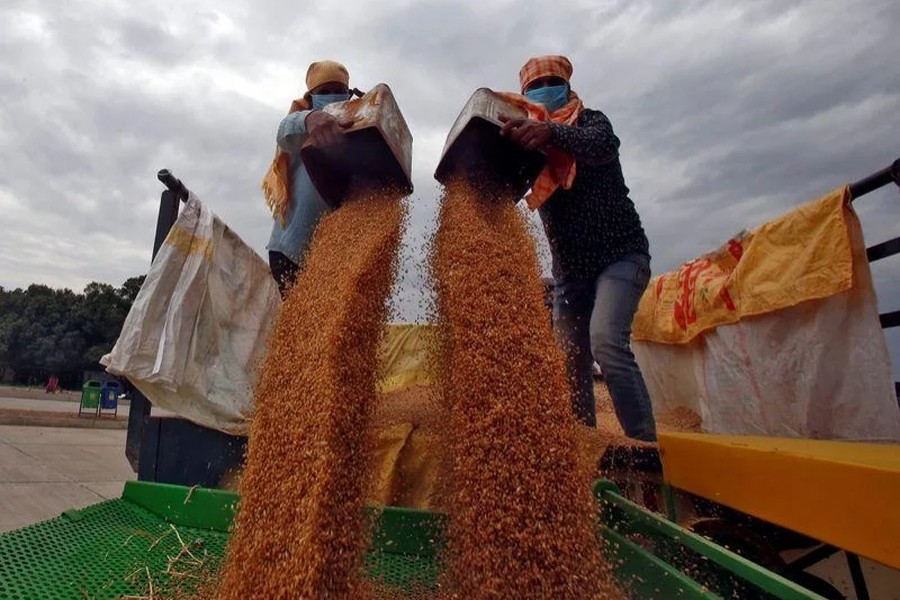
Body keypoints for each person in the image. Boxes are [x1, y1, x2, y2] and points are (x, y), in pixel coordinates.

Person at [499, 55, 657, 441]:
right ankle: (582, 446)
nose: (543, 91)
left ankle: (646, 447)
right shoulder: (530, 144)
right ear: (523, 96)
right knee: (569, 362)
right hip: (571, 273)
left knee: (606, 341)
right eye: (534, 87)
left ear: (568, 86)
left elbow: (600, 145)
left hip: (620, 257)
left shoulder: (591, 123)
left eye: (551, 82)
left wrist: (552, 133)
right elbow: (506, 184)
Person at [262, 60, 355, 298]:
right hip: (289, 252)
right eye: (324, 92)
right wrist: (310, 119)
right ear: (311, 97)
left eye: (338, 90)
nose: (332, 96)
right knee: (294, 323)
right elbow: (283, 131)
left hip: (330, 261)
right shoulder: (301, 124)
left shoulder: (355, 127)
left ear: (349, 93)